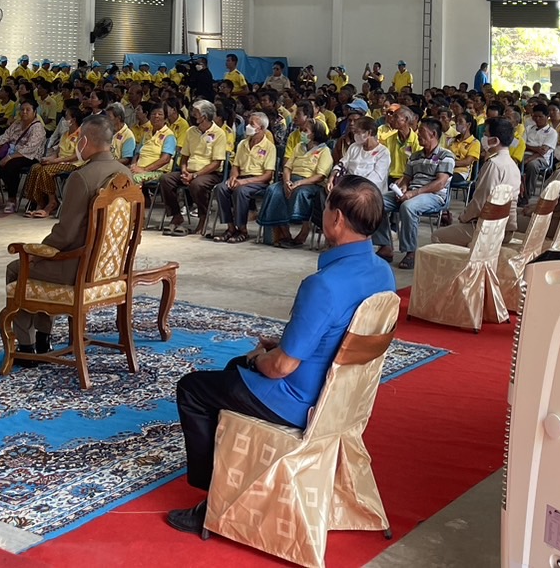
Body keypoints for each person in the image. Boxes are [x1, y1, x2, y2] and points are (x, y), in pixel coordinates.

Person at [166, 175, 394, 538]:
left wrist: (257, 358)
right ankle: (230, 477)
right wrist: (284, 345)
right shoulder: (383, 272)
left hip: (298, 400)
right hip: (343, 402)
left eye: (326, 207)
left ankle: (216, 498)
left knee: (194, 388)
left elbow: (281, 367)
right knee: (232, 374)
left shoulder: (324, 285)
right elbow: (341, 338)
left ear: (336, 219)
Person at [4, 114, 132, 358]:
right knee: (39, 264)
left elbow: (65, 233)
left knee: (19, 268)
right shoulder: (125, 174)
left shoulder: (82, 177)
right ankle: (43, 338)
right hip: (110, 267)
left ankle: (27, 346)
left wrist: (36, 252)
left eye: (79, 138)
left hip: (77, 266)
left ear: (85, 141)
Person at [372, 117, 455, 270]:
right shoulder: (415, 155)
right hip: (412, 192)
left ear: (433, 134)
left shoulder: (445, 155)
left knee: (408, 206)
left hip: (434, 195)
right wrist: (403, 188)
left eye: (421, 131)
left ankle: (410, 252)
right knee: (376, 201)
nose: (418, 134)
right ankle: (385, 245)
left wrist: (413, 193)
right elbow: (406, 178)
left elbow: (440, 183)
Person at [435, 118, 521, 246]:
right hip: (506, 227)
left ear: (495, 141)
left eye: (486, 134)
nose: (483, 138)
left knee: (437, 235)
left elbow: (480, 202)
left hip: (488, 229)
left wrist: (464, 217)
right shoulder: (512, 165)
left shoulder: (494, 164)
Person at [259, 117, 332, 247]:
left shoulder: (324, 151)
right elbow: (288, 167)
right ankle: (284, 233)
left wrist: (299, 183)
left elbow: (320, 176)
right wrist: (287, 181)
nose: (302, 133)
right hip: (291, 179)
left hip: (310, 183)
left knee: (299, 193)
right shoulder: (299, 146)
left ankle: (304, 231)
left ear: (315, 134)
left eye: (306, 130)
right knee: (273, 190)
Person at [159, 99, 228, 237]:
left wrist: (195, 175)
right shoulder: (191, 131)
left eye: (196, 112)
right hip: (189, 170)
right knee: (165, 179)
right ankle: (176, 215)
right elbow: (184, 156)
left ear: (204, 116)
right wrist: (184, 170)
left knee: (196, 184)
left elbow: (216, 163)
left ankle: (203, 217)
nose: (192, 114)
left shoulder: (219, 133)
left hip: (210, 173)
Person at [213, 111, 276, 241]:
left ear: (261, 128)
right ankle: (230, 227)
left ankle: (242, 230)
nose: (248, 126)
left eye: (252, 124)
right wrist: (233, 177)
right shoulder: (242, 143)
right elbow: (236, 166)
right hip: (241, 177)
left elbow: (268, 175)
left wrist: (245, 182)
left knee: (240, 191)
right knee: (221, 188)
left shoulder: (269, 147)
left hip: (258, 181)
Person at [0, 101, 47, 211]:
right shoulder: (17, 123)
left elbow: (29, 148)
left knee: (11, 166)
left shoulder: (38, 127)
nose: (24, 112)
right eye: (22, 109)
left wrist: (9, 157)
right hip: (11, 152)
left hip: (30, 156)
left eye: (28, 110)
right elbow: (4, 137)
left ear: (34, 112)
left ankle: (12, 199)